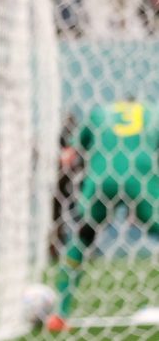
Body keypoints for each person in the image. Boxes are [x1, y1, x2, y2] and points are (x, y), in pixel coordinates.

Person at [48, 100, 159, 332]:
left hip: (101, 178)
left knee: (81, 238)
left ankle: (60, 313)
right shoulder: (152, 112)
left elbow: (70, 155)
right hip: (140, 177)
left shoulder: (98, 113)